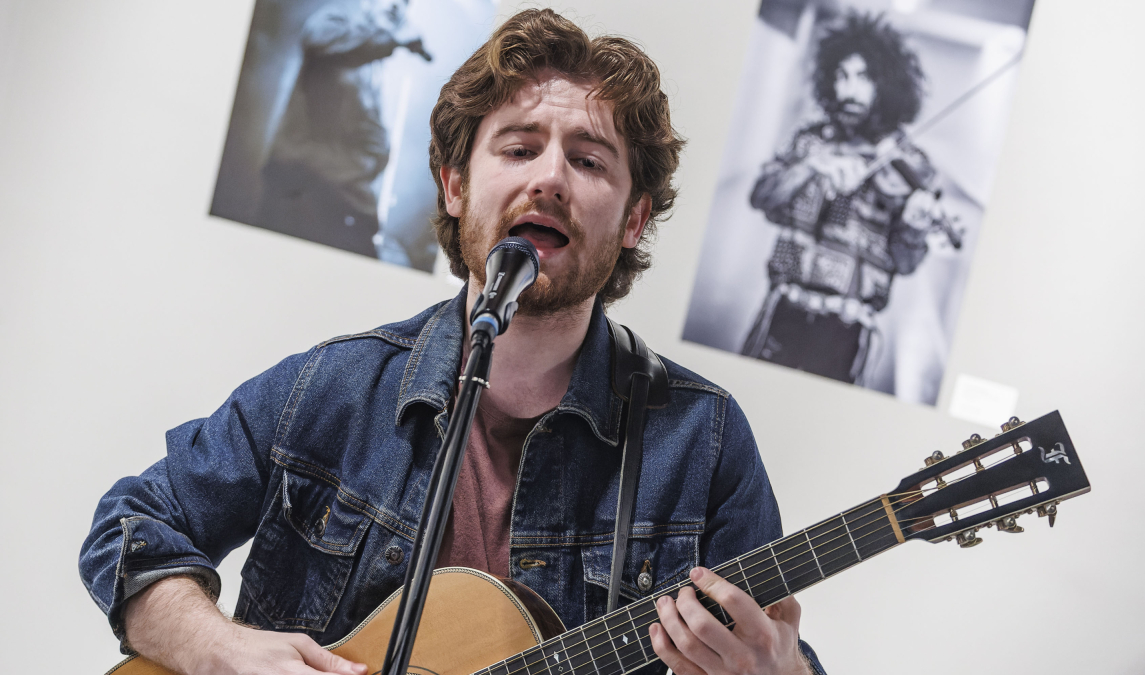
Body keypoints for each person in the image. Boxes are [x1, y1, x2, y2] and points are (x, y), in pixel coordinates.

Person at [80, 9, 826, 675]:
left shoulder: (705, 440)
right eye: (518, 148)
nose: (550, 179)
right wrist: (220, 648)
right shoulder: (331, 389)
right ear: (455, 186)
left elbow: (770, 639)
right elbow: (129, 525)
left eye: (589, 160)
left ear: (633, 220)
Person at [742, 11, 948, 384]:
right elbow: (761, 197)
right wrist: (810, 166)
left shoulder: (911, 165)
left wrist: (915, 229)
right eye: (841, 76)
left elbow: (905, 262)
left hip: (846, 332)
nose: (847, 90)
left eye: (863, 77)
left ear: (887, 84)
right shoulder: (810, 141)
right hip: (783, 309)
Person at [256, 0, 432, 258]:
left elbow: (370, 131)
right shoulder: (338, 22)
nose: (397, 5)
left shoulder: (371, 62)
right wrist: (393, 39)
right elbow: (319, 39)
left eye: (406, 2)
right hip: (301, 182)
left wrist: (376, 157)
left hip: (341, 187)